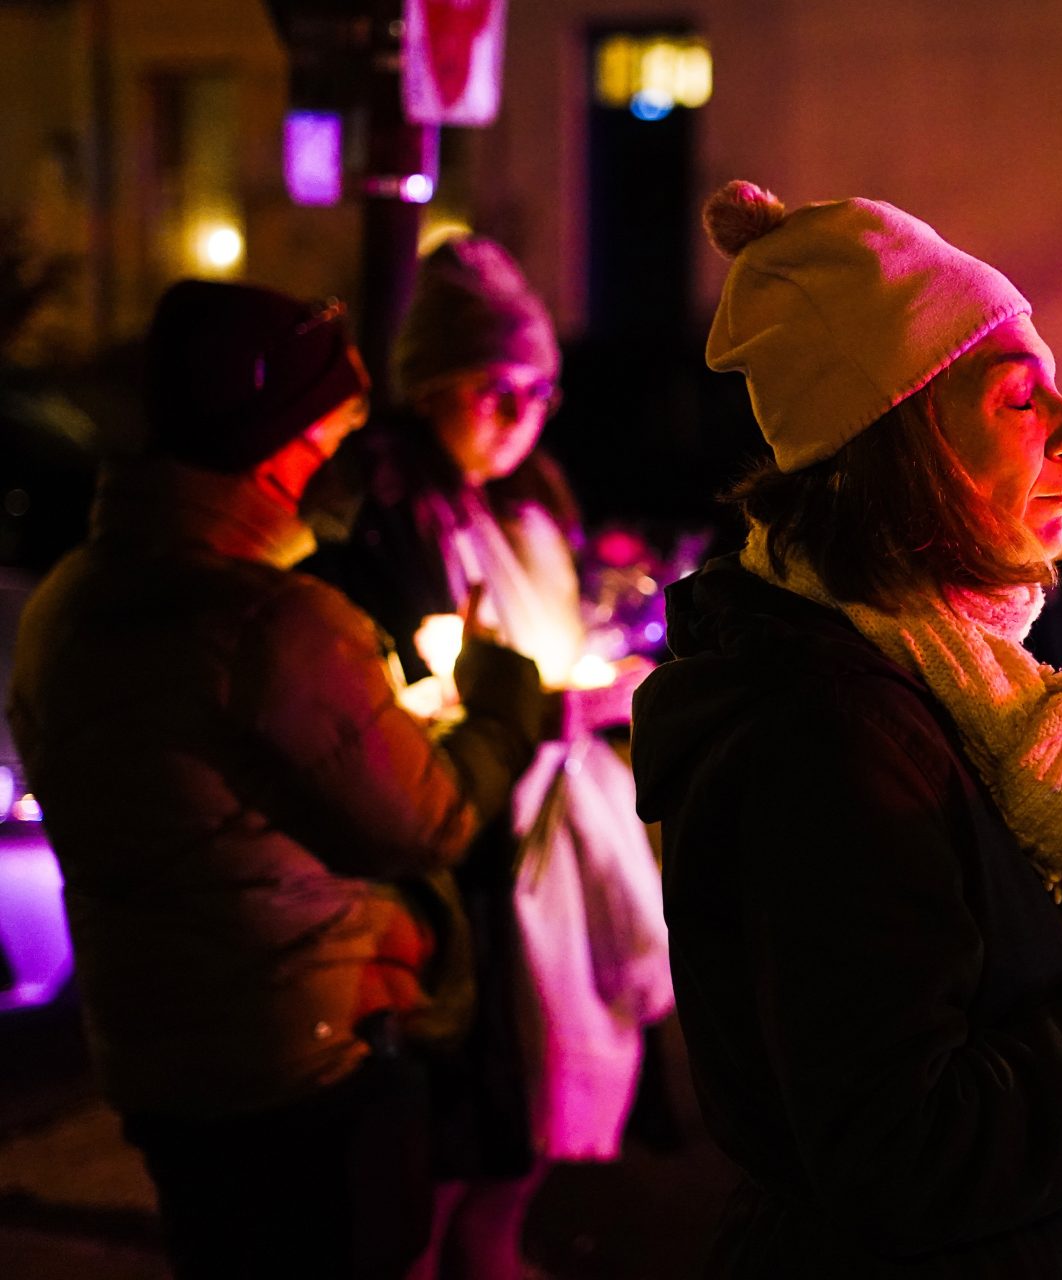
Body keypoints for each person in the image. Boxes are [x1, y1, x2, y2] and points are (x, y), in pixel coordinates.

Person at [630, 180, 1062, 1277]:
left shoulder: (941, 692)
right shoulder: (829, 734)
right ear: (902, 443)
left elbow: (950, 955)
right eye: (1022, 400)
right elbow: (902, 1143)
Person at [6, 280, 547, 1278]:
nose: (340, 449)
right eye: (332, 424)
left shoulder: (69, 599)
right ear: (278, 440)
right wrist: (508, 698)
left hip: (159, 1054)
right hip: (305, 1056)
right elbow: (430, 818)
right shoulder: (269, 621)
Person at [306, 235, 673, 1280]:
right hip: (457, 845)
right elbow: (414, 692)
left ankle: (494, 1249)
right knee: (452, 1124)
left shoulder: (526, 498)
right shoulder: (385, 508)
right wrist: (558, 704)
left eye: (538, 392)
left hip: (537, 823)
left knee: (523, 1108)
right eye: (494, 389)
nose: (519, 415)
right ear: (431, 386)